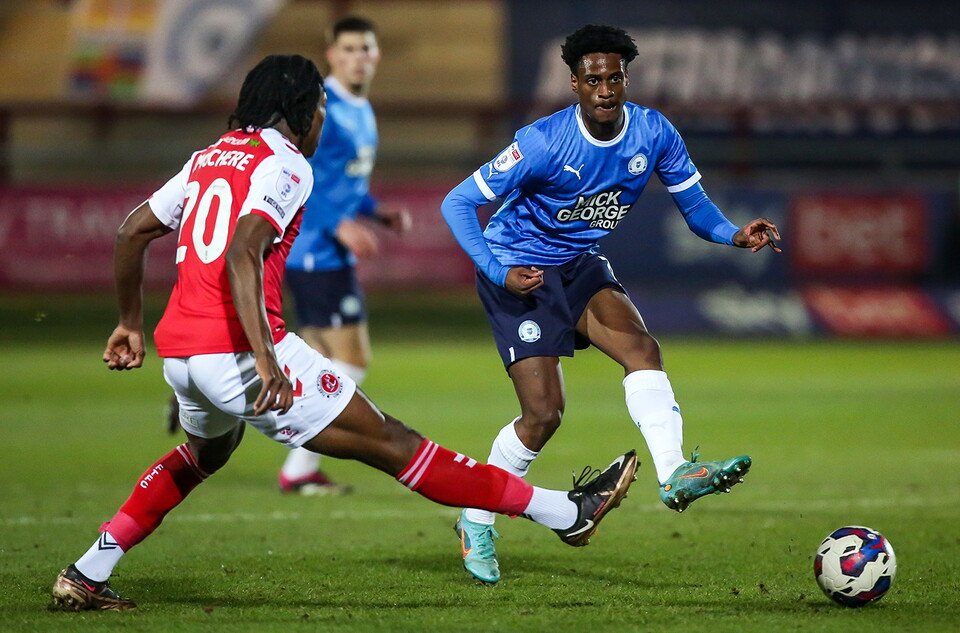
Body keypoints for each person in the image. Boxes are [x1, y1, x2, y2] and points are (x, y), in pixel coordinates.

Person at [50, 54, 637, 612]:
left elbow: (131, 232)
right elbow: (242, 253)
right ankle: (565, 512)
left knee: (207, 452)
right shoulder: (285, 163)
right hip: (241, 354)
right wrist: (267, 361)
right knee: (397, 445)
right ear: (300, 110)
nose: (322, 122)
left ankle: (88, 570)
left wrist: (129, 323)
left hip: (181, 355)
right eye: (320, 109)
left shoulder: (209, 157)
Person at [440, 24, 780, 584]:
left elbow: (695, 207)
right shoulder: (543, 142)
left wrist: (734, 235)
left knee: (643, 349)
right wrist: (499, 271)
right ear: (574, 84)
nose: (605, 90)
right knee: (543, 415)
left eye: (614, 78)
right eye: (593, 80)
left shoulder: (653, 132)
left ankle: (674, 472)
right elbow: (457, 203)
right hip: (519, 269)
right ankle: (476, 519)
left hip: (578, 263)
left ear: (626, 79)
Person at [280, 16, 409, 495]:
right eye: (349, 49)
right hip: (315, 251)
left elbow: (344, 184)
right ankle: (298, 466)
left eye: (365, 48)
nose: (358, 57)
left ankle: (229, 396)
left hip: (322, 252)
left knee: (317, 360)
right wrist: (336, 224)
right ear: (332, 54)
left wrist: (376, 212)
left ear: (376, 55)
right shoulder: (325, 108)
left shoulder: (361, 108)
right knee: (351, 360)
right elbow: (297, 174)